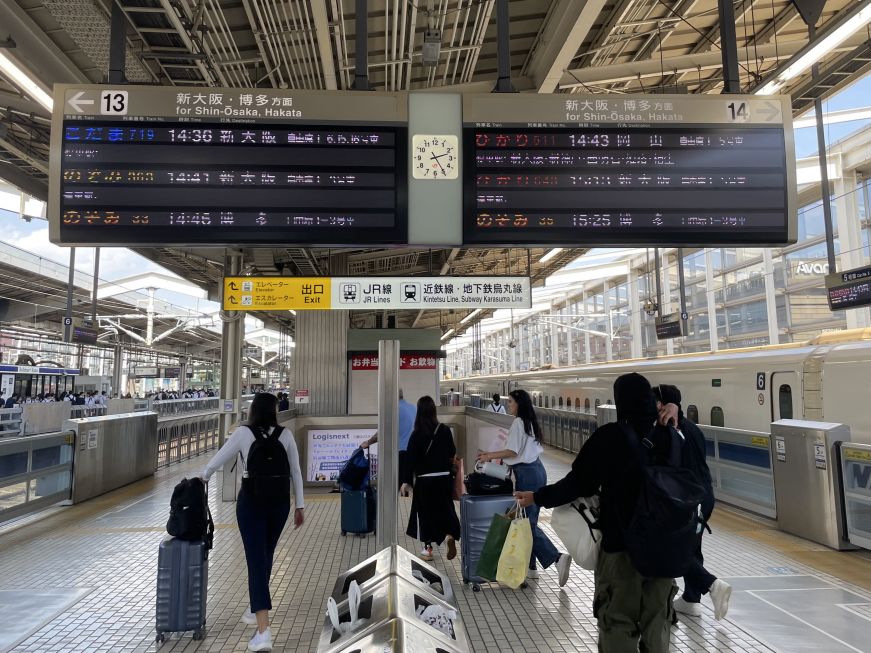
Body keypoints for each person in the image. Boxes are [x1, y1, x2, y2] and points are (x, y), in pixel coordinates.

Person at [516, 373, 683, 652]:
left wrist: (538, 497)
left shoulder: (612, 436)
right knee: (658, 623)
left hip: (622, 546)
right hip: (664, 549)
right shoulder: (672, 434)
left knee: (617, 620)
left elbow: (579, 483)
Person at [201, 392, 305, 652]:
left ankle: (263, 632)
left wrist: (203, 476)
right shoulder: (287, 435)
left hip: (251, 503)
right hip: (280, 504)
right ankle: (254, 605)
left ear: (253, 411)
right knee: (265, 556)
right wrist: (300, 506)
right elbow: (295, 471)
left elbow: (220, 458)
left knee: (256, 561)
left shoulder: (243, 434)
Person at [478, 389, 572, 587]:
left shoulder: (519, 422)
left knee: (526, 524)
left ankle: (557, 558)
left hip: (527, 474)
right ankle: (531, 568)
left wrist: (489, 456)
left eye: (511, 402)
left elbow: (512, 451)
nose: (509, 406)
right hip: (536, 470)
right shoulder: (529, 422)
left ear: (519, 403)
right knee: (528, 519)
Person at [653, 384, 731, 621]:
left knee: (671, 549)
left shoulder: (669, 430)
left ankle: (712, 585)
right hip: (703, 497)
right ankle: (691, 600)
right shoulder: (693, 429)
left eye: (656, 402)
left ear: (666, 404)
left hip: (685, 500)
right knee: (692, 545)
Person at [403, 395, 461, 562]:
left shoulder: (416, 434)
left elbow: (410, 460)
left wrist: (406, 481)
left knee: (425, 515)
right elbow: (452, 452)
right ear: (434, 411)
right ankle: (449, 536)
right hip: (444, 479)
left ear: (419, 412)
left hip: (425, 481)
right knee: (444, 510)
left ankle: (428, 549)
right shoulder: (444, 430)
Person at [361, 389, 417, 489]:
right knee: (409, 487)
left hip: (401, 455)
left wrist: (368, 442)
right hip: (414, 454)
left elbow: (382, 432)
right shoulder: (414, 408)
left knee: (395, 488)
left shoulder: (394, 410)